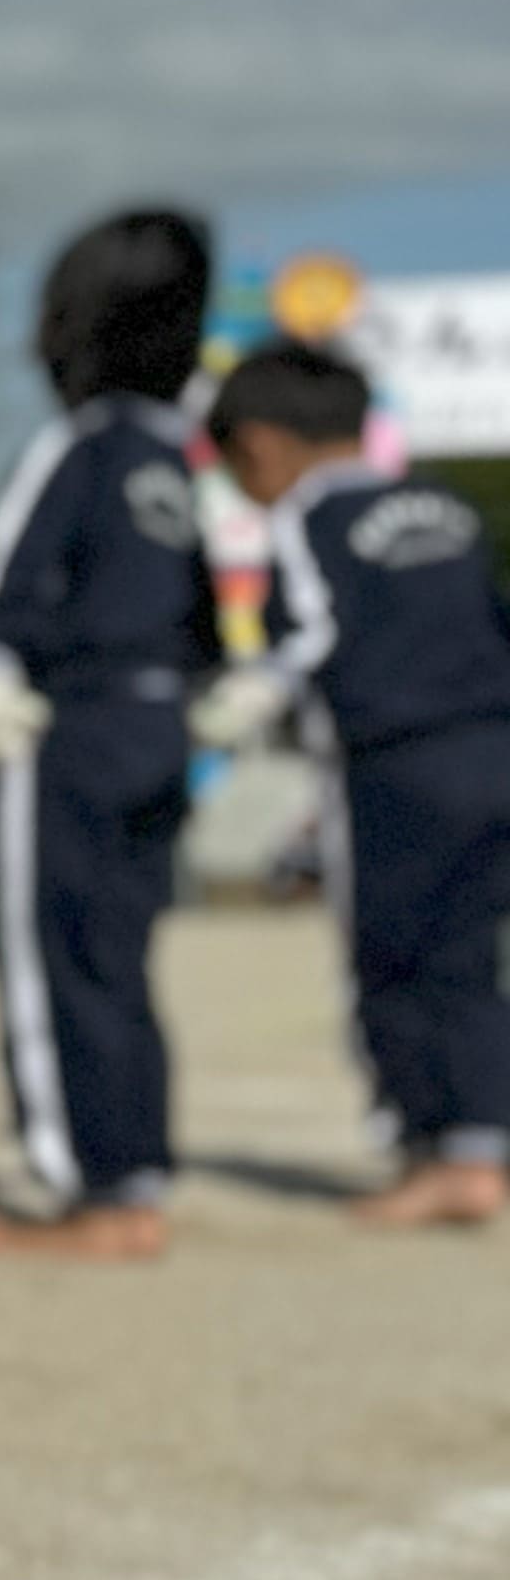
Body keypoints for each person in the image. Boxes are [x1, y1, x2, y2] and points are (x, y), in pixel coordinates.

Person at [0, 208, 223, 1261]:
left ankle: (90, 1188)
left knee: (50, 954)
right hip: (159, 734)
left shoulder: (80, 447)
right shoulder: (177, 467)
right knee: (121, 956)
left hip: (69, 729)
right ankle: (136, 1168)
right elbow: (204, 623)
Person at [202, 336, 510, 1228]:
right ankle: (483, 1146)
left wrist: (238, 701)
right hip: (492, 747)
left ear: (259, 445)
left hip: (394, 766)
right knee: (470, 959)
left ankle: (425, 1142)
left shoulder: (307, 520)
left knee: (391, 956)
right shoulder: (445, 505)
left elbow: (305, 630)